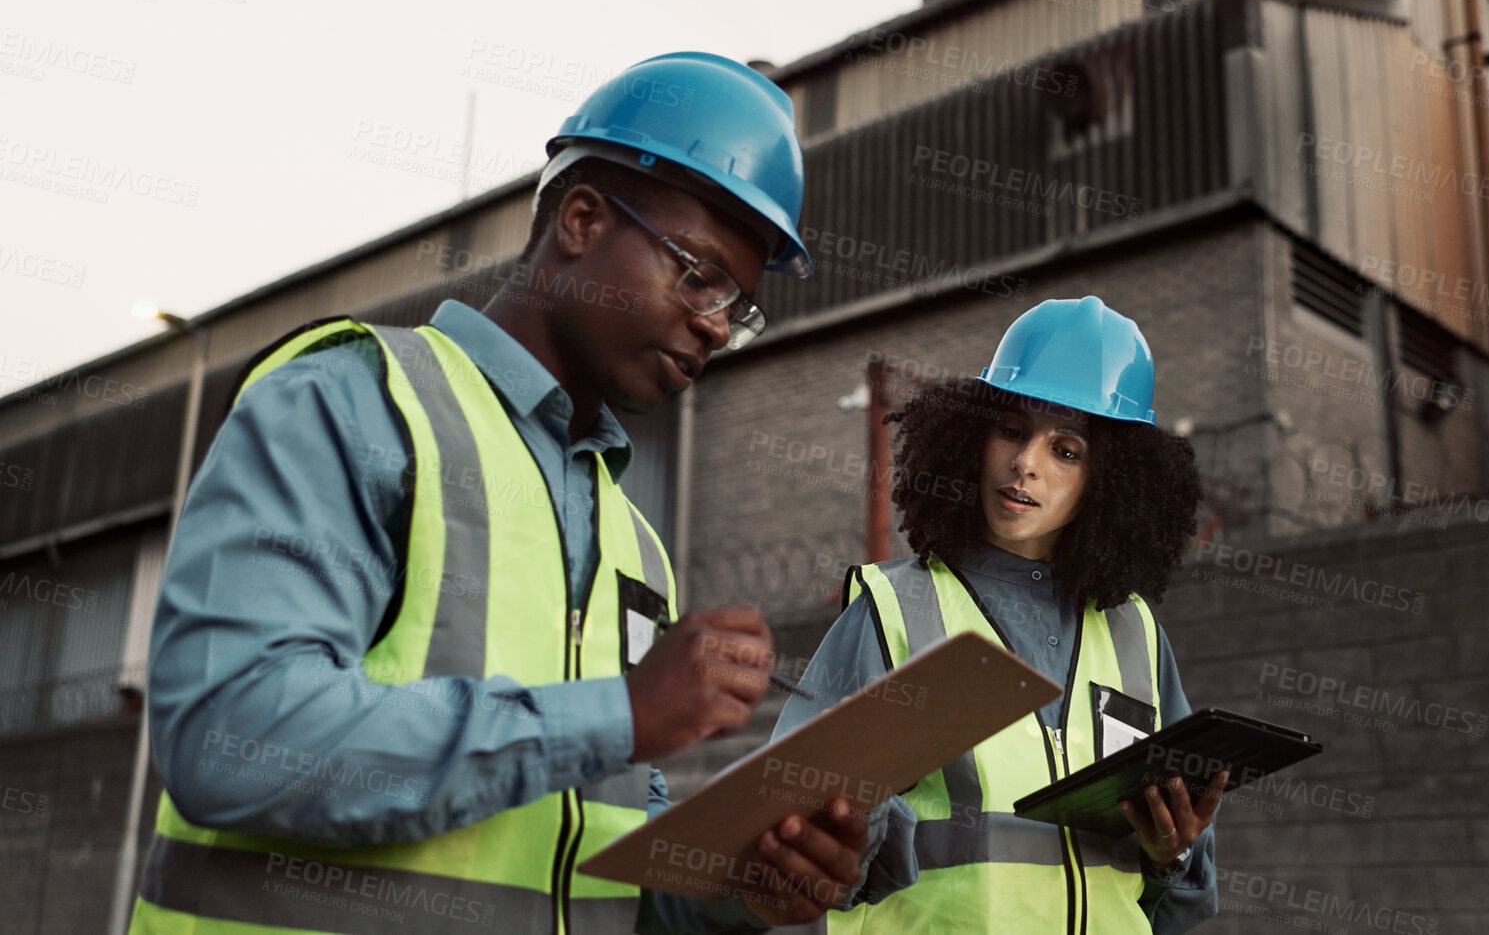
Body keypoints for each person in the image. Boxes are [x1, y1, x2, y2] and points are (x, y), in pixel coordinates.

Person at [131, 52, 867, 935]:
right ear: (583, 222)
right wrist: (619, 713)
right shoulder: (353, 400)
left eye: (738, 306)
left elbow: (592, 873)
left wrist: (734, 887)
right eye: (698, 274)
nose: (714, 323)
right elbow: (226, 738)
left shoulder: (635, 546)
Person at [761, 296, 1222, 933]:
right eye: (1011, 429)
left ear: (1112, 479)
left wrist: (1169, 855)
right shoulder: (894, 611)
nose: (1025, 462)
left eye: (1066, 450)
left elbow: (1184, 899)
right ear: (971, 438)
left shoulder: (1136, 633)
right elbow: (790, 844)